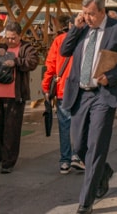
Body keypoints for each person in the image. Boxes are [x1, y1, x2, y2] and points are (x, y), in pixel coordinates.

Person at [60, 0, 117, 214]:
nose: (88, 17)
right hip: (80, 94)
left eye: (91, 13)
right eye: (85, 13)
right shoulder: (81, 28)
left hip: (103, 94)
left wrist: (110, 77)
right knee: (79, 148)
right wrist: (75, 27)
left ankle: (85, 201)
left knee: (96, 146)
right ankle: (103, 171)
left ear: (102, 11)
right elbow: (64, 51)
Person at [0, 21, 40, 173]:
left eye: (13, 38)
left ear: (20, 36)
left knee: (11, 130)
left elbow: (32, 62)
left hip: (15, 95)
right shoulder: (1, 47)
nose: (10, 41)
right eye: (7, 38)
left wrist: (15, 62)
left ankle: (8, 162)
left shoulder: (27, 48)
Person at [43, 14, 84, 174]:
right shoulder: (84, 41)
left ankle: (65, 160)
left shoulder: (59, 40)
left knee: (65, 125)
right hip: (81, 89)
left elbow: (50, 65)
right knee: (79, 124)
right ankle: (77, 156)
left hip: (62, 88)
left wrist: (46, 87)